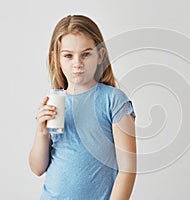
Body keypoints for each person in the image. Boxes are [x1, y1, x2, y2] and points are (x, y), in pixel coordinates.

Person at [29, 14, 137, 200]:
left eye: (86, 54)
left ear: (100, 55)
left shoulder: (114, 100)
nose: (77, 63)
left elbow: (128, 170)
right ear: (57, 59)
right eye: (68, 56)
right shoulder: (53, 103)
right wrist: (41, 133)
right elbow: (38, 168)